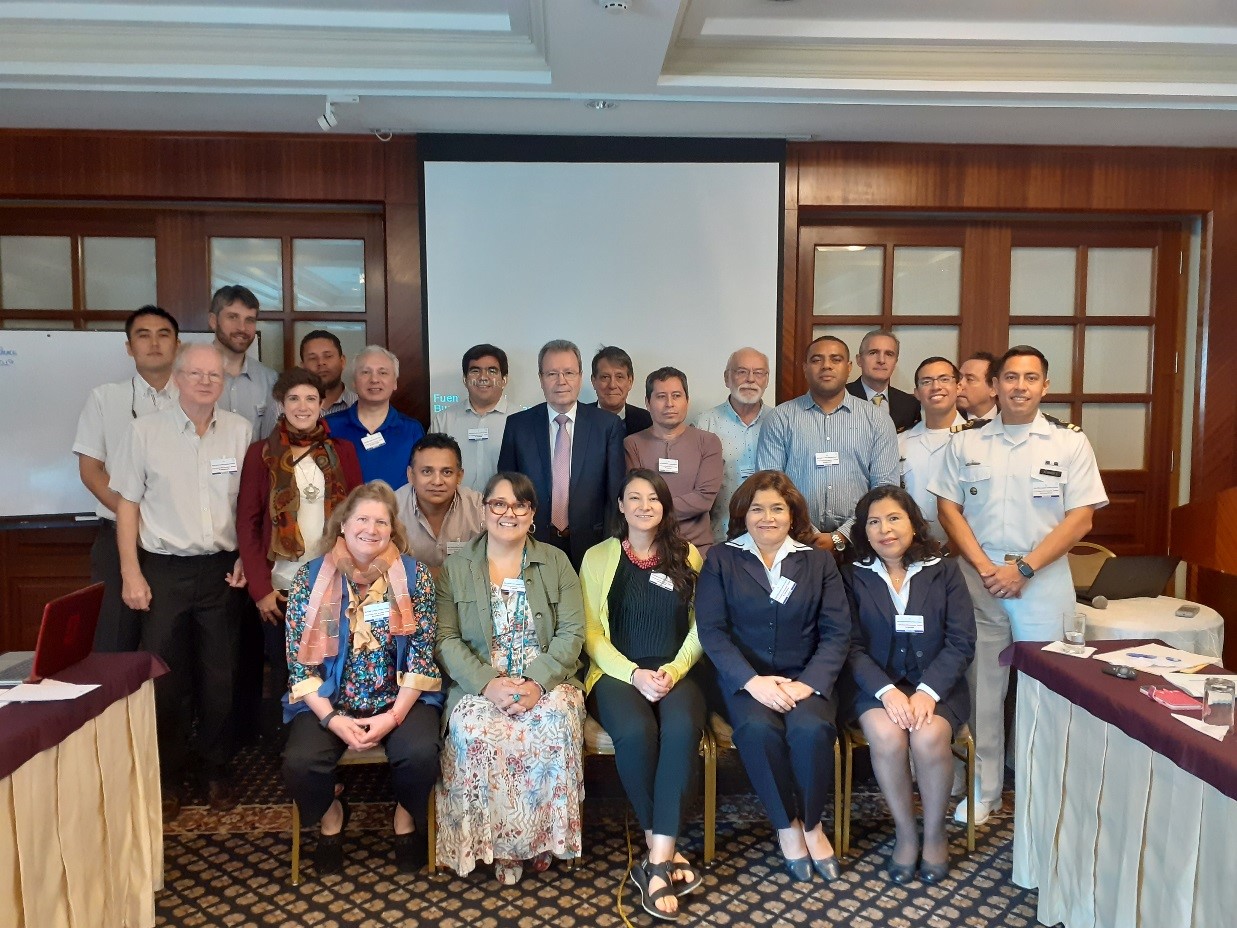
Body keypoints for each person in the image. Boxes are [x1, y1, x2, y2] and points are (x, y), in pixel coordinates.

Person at [930, 345, 1108, 825]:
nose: (1020, 386)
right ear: (994, 385)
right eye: (1010, 377)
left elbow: (1081, 520)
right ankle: (985, 791)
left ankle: (1042, 789)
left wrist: (1023, 569)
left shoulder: (1069, 444)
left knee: (1046, 691)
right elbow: (949, 509)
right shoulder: (967, 442)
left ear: (1045, 387)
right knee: (984, 690)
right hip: (979, 577)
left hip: (1043, 581)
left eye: (1031, 378)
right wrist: (986, 566)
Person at [109, 342, 252, 818]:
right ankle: (169, 773)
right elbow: (127, 504)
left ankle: (216, 767)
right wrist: (130, 571)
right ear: (177, 377)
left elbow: (248, 507)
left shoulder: (240, 431)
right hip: (163, 569)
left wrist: (245, 558)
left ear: (223, 382)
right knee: (166, 679)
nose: (207, 382)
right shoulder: (143, 432)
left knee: (220, 674)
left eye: (215, 375)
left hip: (221, 571)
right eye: (196, 374)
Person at [695, 471, 850, 883]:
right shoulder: (721, 559)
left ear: (792, 514)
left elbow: (837, 632)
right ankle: (786, 826)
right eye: (757, 509)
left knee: (812, 730)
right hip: (745, 680)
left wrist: (808, 683)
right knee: (757, 731)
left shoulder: (817, 562)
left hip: (805, 676)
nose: (767, 517)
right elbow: (711, 631)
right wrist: (751, 682)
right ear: (743, 514)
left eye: (777, 509)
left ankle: (813, 824)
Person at [281, 482, 442, 874]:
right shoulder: (311, 577)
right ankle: (333, 813)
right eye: (362, 519)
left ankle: (405, 814)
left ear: (392, 530)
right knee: (299, 764)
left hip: (400, 697)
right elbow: (299, 665)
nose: (371, 529)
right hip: (331, 700)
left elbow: (421, 655)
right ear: (343, 525)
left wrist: (392, 717)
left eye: (381, 522)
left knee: (421, 756)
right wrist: (332, 719)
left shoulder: (414, 576)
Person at [435, 472, 586, 885]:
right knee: (475, 730)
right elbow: (445, 638)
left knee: (553, 725)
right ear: (483, 510)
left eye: (520, 505)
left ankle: (541, 842)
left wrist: (537, 682)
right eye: (498, 504)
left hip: (548, 680)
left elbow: (573, 632)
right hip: (480, 682)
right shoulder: (456, 567)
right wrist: (487, 683)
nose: (509, 513)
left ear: (532, 514)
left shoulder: (556, 561)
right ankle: (499, 849)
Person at [579, 469, 707, 920]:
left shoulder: (688, 555)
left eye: (653, 498)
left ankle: (654, 863)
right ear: (620, 506)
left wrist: (672, 670)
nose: (644, 505)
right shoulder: (598, 557)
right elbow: (591, 633)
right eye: (634, 498)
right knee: (634, 733)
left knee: (681, 728)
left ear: (664, 505)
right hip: (616, 673)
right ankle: (664, 850)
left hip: (675, 672)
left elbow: (700, 627)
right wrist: (633, 673)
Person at [842, 486, 975, 885]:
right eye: (874, 522)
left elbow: (961, 640)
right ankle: (904, 831)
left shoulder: (944, 569)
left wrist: (926, 692)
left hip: (937, 685)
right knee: (887, 737)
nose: (885, 529)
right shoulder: (852, 576)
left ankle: (934, 833)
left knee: (929, 737)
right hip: (875, 686)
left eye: (894, 518)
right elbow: (848, 645)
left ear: (913, 524)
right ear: (864, 532)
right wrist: (887, 691)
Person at [236, 368, 363, 704]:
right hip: (281, 586)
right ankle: (285, 745)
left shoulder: (344, 451)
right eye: (294, 398)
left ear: (322, 404)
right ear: (281, 404)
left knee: (334, 662)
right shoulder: (261, 454)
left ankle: (330, 735)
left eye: (310, 398)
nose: (302, 406)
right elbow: (248, 525)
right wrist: (260, 589)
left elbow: (357, 517)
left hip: (335, 578)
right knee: (284, 669)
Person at [73, 305, 180, 651]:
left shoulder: (195, 398)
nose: (154, 343)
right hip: (117, 536)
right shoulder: (105, 398)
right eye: (143, 335)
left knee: (168, 645)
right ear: (128, 347)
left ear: (177, 345)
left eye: (163, 335)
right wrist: (131, 512)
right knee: (115, 639)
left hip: (176, 543)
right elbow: (91, 471)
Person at [755, 335, 899, 554]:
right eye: (816, 360)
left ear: (849, 367)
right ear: (805, 368)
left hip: (861, 542)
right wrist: (807, 532)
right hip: (794, 543)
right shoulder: (780, 418)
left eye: (836, 359)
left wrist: (842, 536)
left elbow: (885, 487)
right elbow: (770, 485)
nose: (826, 366)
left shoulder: (876, 419)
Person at [497, 339, 625, 568]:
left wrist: (610, 545)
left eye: (569, 372)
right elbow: (507, 491)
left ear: (580, 376)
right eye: (552, 374)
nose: (561, 381)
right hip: (532, 542)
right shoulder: (518, 426)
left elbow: (615, 495)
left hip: (593, 546)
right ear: (541, 378)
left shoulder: (607, 426)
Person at [624, 367, 723, 554]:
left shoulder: (708, 442)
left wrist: (652, 507)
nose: (669, 403)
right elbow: (635, 500)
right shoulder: (632, 444)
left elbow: (704, 499)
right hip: (647, 549)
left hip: (696, 549)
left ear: (687, 400)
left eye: (676, 395)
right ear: (647, 402)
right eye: (661, 396)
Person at [694, 347, 771, 546]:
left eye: (759, 373)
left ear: (767, 379)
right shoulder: (704, 424)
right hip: (719, 537)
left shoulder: (779, 422)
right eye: (742, 372)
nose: (750, 379)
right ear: (727, 378)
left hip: (770, 537)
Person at [326, 345, 425, 490]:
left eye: (383, 373)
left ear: (395, 382)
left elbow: (422, 481)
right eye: (365, 372)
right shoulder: (329, 426)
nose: (374, 379)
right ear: (354, 381)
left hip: (398, 512)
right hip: (344, 512)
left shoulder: (412, 429)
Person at [394, 433, 485, 570]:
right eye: (427, 472)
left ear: (459, 476)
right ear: (411, 475)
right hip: (408, 590)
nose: (437, 481)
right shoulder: (391, 509)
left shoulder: (480, 508)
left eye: (447, 472)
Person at [898, 358, 965, 541]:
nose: (936, 387)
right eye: (926, 382)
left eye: (944, 379)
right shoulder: (900, 442)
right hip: (910, 548)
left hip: (964, 551)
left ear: (958, 387)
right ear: (917, 393)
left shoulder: (979, 439)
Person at [430, 343, 510, 493]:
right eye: (475, 371)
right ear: (465, 379)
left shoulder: (521, 420)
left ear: (504, 379)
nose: (483, 377)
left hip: (504, 511)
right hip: (454, 510)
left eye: (492, 371)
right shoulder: (444, 420)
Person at [209, 284, 279, 439]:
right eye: (233, 317)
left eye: (250, 320)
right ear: (213, 321)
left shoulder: (270, 380)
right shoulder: (188, 375)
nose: (242, 327)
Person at [846, 330, 920, 433]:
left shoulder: (910, 405)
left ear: (895, 362)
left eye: (889, 354)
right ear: (859, 360)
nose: (881, 360)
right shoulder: (841, 397)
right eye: (873, 353)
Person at [588, 345, 653, 436]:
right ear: (594, 381)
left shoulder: (648, 421)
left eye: (619, 377)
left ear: (630, 382)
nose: (612, 385)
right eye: (605, 377)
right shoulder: (579, 418)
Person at [299, 330, 356, 415]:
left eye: (328, 356)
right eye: (312, 358)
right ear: (302, 367)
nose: (321, 363)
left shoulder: (360, 405)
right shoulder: (285, 408)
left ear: (342, 361)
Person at [956, 351, 999, 420]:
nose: (959, 384)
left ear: (994, 388)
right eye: (959, 378)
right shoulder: (945, 420)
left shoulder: (1010, 420)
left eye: (969, 379)